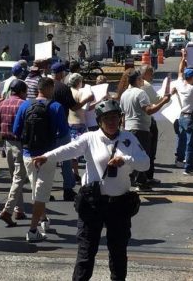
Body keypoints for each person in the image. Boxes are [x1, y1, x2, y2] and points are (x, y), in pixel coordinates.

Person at [33, 100, 149, 281]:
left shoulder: (129, 138)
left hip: (119, 204)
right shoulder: (90, 138)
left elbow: (145, 163)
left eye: (115, 118)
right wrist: (47, 157)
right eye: (107, 119)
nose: (111, 122)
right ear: (99, 121)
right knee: (86, 252)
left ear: (120, 119)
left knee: (118, 252)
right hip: (93, 203)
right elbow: (68, 150)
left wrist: (125, 159)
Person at [13, 77, 68, 242]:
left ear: (38, 89)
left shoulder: (25, 105)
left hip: (28, 155)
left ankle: (43, 219)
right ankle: (32, 230)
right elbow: (64, 132)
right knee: (41, 192)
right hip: (47, 156)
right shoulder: (56, 107)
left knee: (37, 190)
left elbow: (16, 130)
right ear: (50, 88)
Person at [120, 69, 170, 189]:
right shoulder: (140, 93)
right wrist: (163, 101)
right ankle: (135, 179)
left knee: (134, 155)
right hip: (140, 129)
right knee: (142, 156)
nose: (143, 81)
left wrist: (123, 129)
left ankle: (137, 180)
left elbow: (123, 115)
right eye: (141, 79)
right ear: (137, 80)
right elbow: (148, 110)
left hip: (129, 128)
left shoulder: (125, 94)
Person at [51, 62, 94, 201]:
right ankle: (68, 189)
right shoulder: (63, 88)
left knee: (49, 160)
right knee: (66, 159)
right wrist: (87, 99)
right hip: (61, 127)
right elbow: (75, 107)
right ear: (61, 73)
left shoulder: (44, 84)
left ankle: (45, 190)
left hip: (46, 129)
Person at [0, 79, 28, 226]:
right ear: (21, 92)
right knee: (19, 178)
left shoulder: (2, 104)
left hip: (7, 145)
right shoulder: (24, 105)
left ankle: (19, 210)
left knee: (15, 178)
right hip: (20, 145)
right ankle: (7, 211)